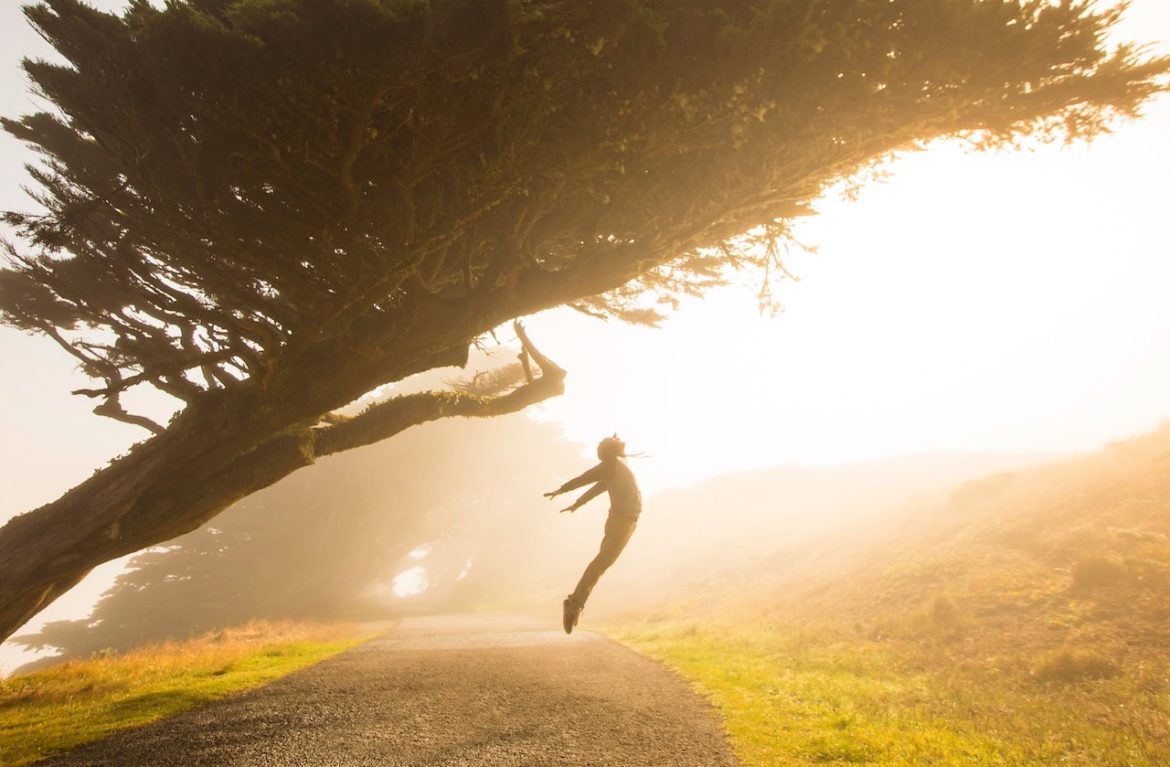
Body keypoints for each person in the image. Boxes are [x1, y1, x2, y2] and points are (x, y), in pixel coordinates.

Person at [544, 434, 642, 634]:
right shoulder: (614, 464)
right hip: (622, 521)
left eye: (600, 447)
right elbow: (587, 479)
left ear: (607, 450)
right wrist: (563, 491)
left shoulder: (615, 464)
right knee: (601, 562)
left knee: (602, 563)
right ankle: (575, 603)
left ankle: (575, 602)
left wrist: (576, 502)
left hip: (627, 521)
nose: (597, 451)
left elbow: (595, 485)